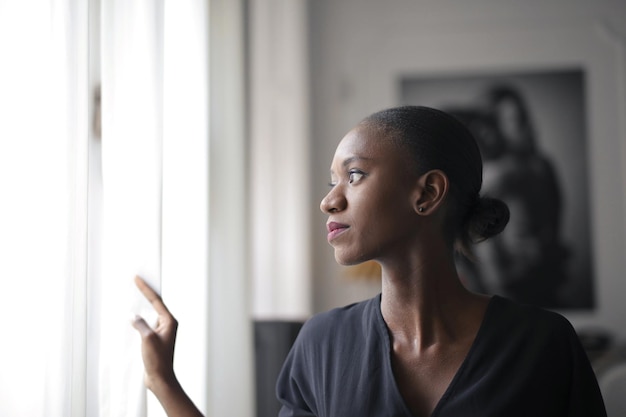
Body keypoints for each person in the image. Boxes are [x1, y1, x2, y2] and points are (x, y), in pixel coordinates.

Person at [132, 106, 606, 417]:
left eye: (354, 175)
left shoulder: (543, 345)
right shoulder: (322, 344)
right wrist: (162, 381)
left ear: (427, 193)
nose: (328, 201)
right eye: (331, 180)